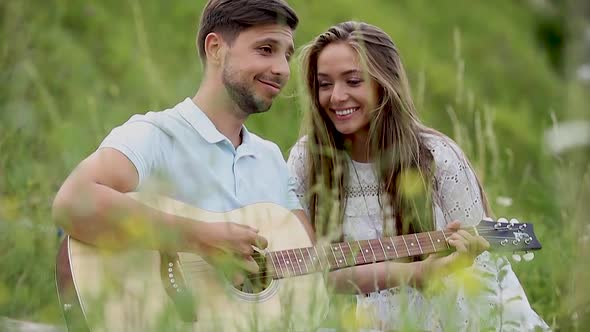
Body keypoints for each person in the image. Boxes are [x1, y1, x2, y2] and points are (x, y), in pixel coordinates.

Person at [287, 21, 549, 331]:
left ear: (384, 83)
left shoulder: (437, 155)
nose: (337, 96)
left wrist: (464, 257)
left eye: (353, 81)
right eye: (324, 84)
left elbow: (482, 268)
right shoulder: (308, 159)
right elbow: (315, 270)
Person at [52, 0, 312, 292]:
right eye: (266, 49)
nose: (281, 69)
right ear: (215, 48)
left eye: (287, 55)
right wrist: (201, 237)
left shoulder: (272, 158)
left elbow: (311, 262)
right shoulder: (156, 135)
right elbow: (73, 201)